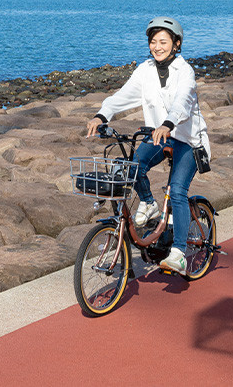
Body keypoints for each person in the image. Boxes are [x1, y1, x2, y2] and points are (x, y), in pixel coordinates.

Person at [86, 16, 210, 274]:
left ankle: (178, 253)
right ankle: (149, 203)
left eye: (163, 41)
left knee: (177, 190)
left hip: (188, 139)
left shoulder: (185, 71)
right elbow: (123, 95)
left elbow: (183, 103)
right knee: (131, 166)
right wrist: (102, 115)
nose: (157, 46)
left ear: (176, 44)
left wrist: (167, 123)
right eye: (153, 42)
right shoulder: (145, 70)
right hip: (159, 136)